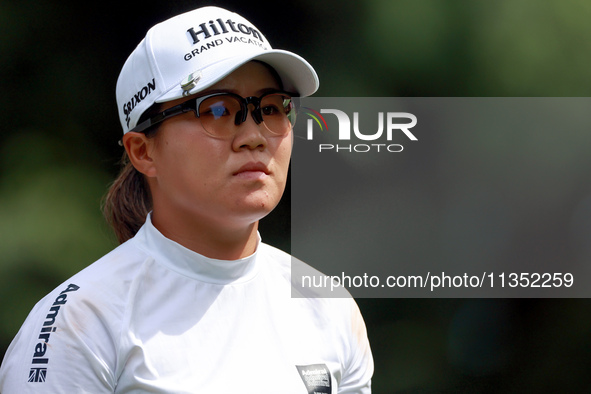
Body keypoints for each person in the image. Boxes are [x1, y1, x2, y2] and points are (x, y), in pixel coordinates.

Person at [0, 6, 373, 393]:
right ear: (143, 152)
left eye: (272, 108)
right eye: (217, 109)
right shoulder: (81, 323)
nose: (255, 136)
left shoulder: (328, 308)